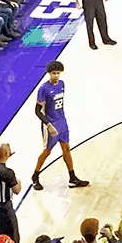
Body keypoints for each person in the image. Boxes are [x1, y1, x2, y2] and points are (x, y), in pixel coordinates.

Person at [30, 60, 89, 190]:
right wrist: (48, 124)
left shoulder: (61, 84)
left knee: (66, 149)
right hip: (51, 124)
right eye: (53, 73)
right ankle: (35, 176)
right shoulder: (43, 88)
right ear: (49, 74)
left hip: (62, 121)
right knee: (47, 151)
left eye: (58, 73)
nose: (56, 76)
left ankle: (72, 178)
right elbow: (37, 111)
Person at [0, 142, 22, 243]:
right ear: (7, 153)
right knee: (13, 234)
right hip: (4, 206)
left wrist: (5, 155)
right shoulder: (7, 172)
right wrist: (18, 182)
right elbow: (17, 190)